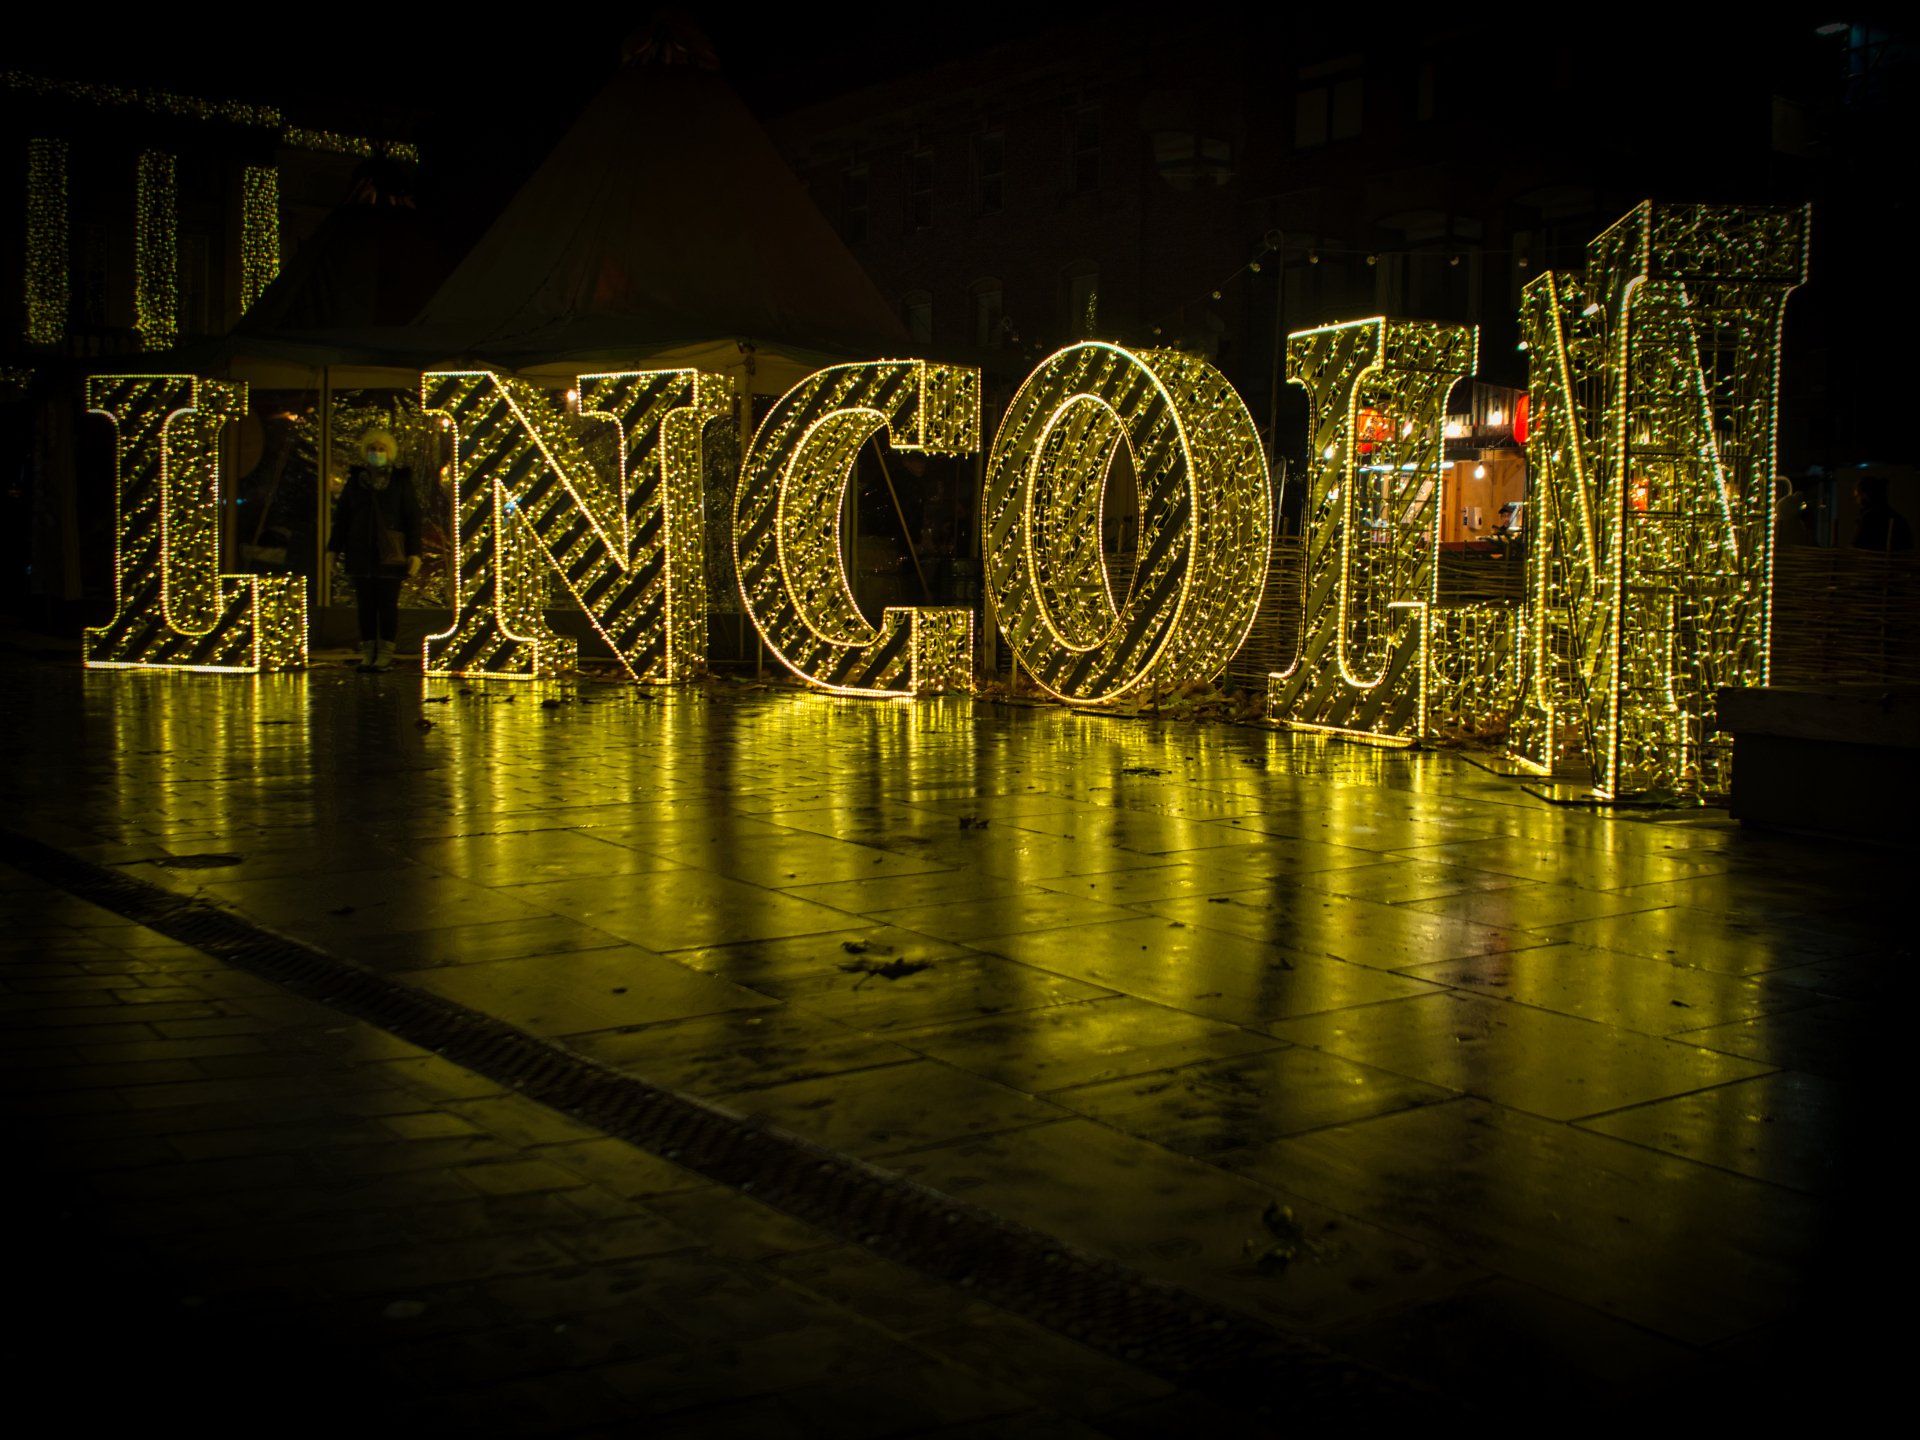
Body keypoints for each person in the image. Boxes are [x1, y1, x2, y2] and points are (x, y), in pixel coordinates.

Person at [327, 428, 421, 672]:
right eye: (372, 448)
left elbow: (412, 518)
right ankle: (369, 652)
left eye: (381, 449)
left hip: (389, 554)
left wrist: (414, 552)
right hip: (361, 553)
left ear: (389, 453)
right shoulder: (356, 482)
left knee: (387, 604)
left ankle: (385, 652)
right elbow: (343, 518)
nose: (376, 453)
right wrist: (333, 550)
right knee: (366, 606)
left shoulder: (399, 481)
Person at [1851, 474, 1914, 553]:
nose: (1856, 501)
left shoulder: (1869, 518)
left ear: (1865, 495)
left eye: (1857, 496)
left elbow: (1856, 546)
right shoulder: (1898, 518)